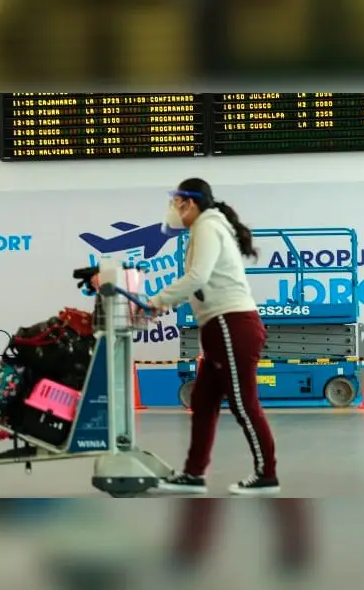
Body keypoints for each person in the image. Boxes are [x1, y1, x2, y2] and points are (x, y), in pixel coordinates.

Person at [147, 178, 280, 496]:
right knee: (203, 401)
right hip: (220, 325)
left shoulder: (207, 226)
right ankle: (193, 474)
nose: (172, 209)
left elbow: (197, 277)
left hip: (230, 324)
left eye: (176, 202)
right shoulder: (207, 227)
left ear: (189, 203)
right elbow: (197, 282)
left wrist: (157, 301)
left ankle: (267, 474)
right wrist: (162, 301)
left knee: (243, 403)